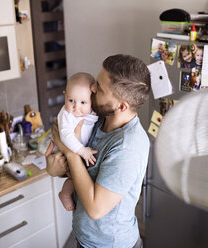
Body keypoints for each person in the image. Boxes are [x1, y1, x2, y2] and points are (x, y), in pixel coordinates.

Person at [46, 54, 151, 248]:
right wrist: (54, 168)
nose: (92, 88)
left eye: (99, 88)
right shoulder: (98, 118)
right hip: (84, 237)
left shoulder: (127, 147)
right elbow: (79, 170)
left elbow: (95, 209)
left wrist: (69, 152)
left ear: (121, 106)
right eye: (96, 82)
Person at [57, 72, 99, 211]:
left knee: (81, 179)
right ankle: (65, 194)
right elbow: (65, 135)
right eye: (71, 101)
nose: (76, 107)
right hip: (72, 151)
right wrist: (81, 150)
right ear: (65, 95)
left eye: (83, 102)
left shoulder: (92, 112)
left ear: (92, 101)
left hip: (81, 153)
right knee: (75, 179)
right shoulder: (67, 114)